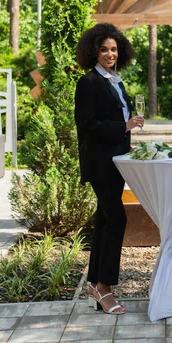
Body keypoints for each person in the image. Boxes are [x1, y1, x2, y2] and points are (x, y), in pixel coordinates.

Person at [75, 23, 144, 314]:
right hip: (100, 164)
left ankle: (95, 283)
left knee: (104, 221)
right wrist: (124, 126)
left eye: (114, 49)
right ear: (93, 50)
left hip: (117, 162)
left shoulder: (116, 80)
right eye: (104, 49)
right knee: (117, 220)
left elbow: (116, 122)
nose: (109, 53)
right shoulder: (89, 82)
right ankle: (105, 287)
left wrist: (127, 141)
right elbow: (87, 126)